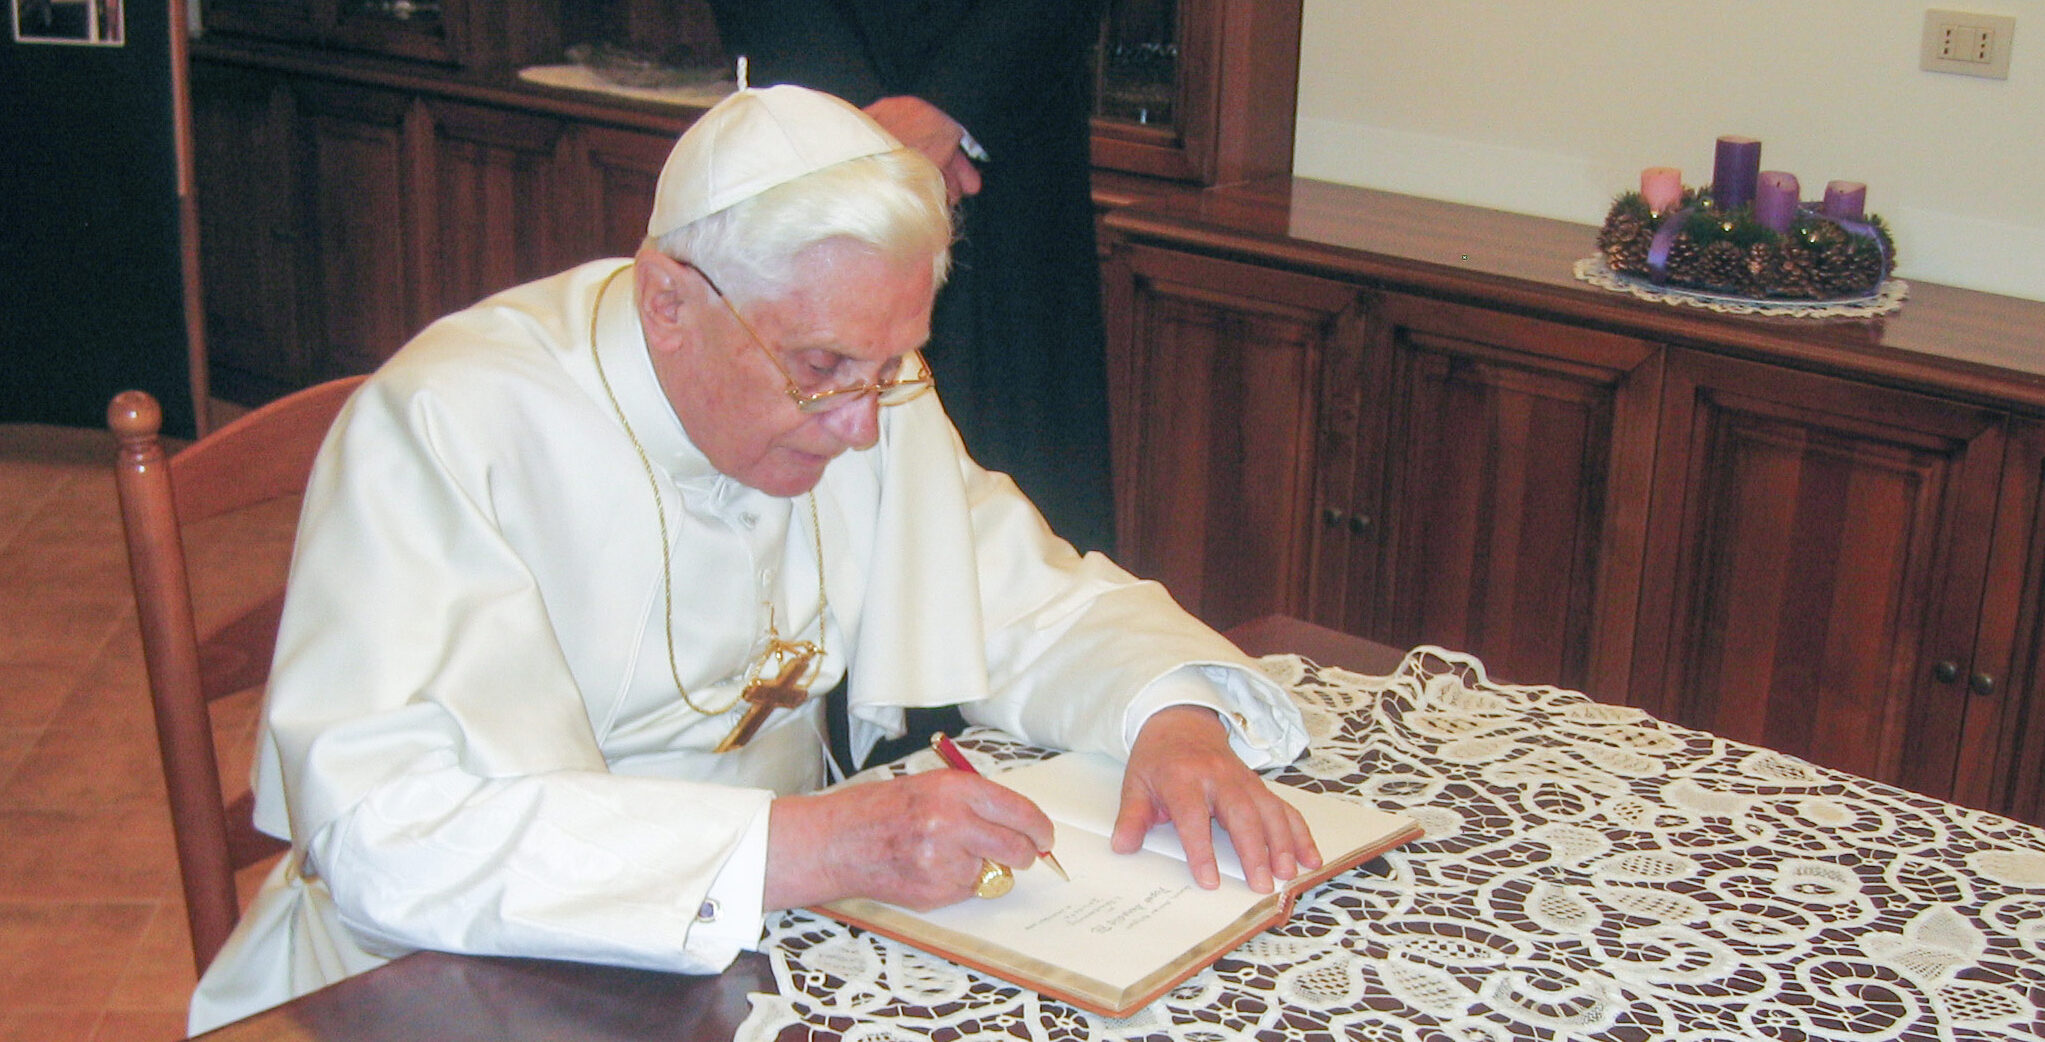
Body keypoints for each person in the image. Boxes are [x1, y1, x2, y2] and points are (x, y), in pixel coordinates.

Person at [187, 83, 1315, 1033]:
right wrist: (801, 845)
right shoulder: (452, 424)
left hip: (754, 957)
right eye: (822, 365)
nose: (864, 424)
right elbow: (399, 838)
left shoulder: (859, 382)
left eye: (890, 368)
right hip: (447, 984)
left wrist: (1170, 718)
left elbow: (1027, 600)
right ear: (670, 301)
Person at [706, 0, 1116, 555]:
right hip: (811, 142)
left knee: (1022, 502)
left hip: (1007, 144)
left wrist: (952, 104)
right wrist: (860, 131)